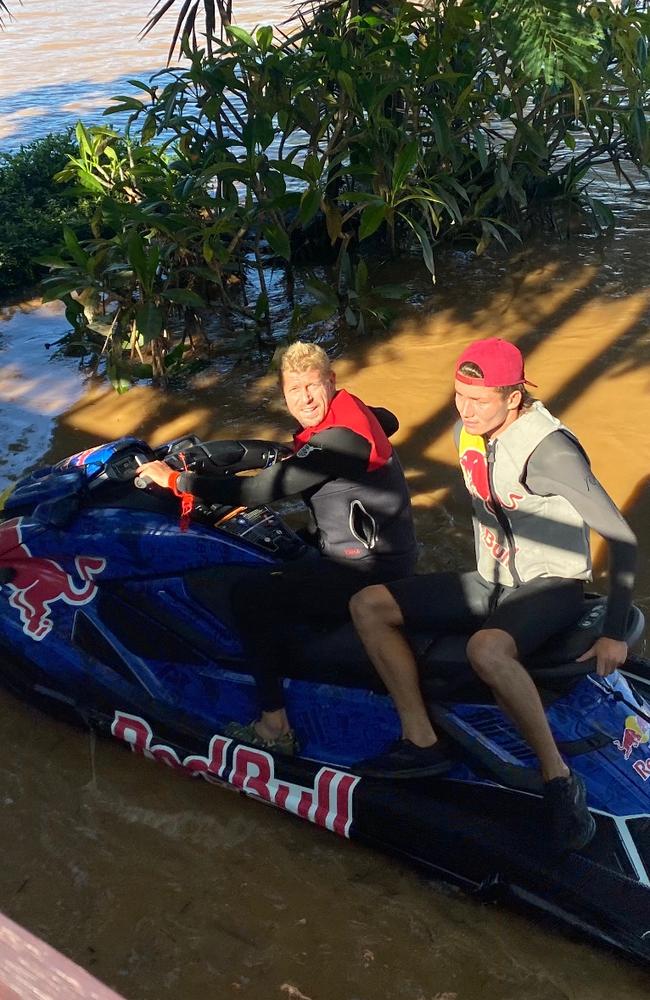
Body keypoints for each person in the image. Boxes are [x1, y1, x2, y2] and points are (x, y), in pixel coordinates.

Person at [349, 337, 637, 853]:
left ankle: (558, 779)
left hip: (551, 585)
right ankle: (422, 740)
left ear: (514, 397)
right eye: (459, 396)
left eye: (479, 400)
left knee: (487, 648)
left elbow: (623, 538)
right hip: (491, 580)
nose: (465, 409)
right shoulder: (471, 430)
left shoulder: (550, 451)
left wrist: (614, 633)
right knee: (368, 604)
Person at [137, 341, 418, 753]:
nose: (304, 398)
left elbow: (256, 491)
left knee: (249, 595)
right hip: (374, 548)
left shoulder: (339, 442)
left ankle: (274, 725)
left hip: (366, 569)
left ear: (331, 381)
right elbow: (385, 420)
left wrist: (178, 481)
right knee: (284, 552)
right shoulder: (354, 416)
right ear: (282, 392)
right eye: (293, 390)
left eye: (312, 386)